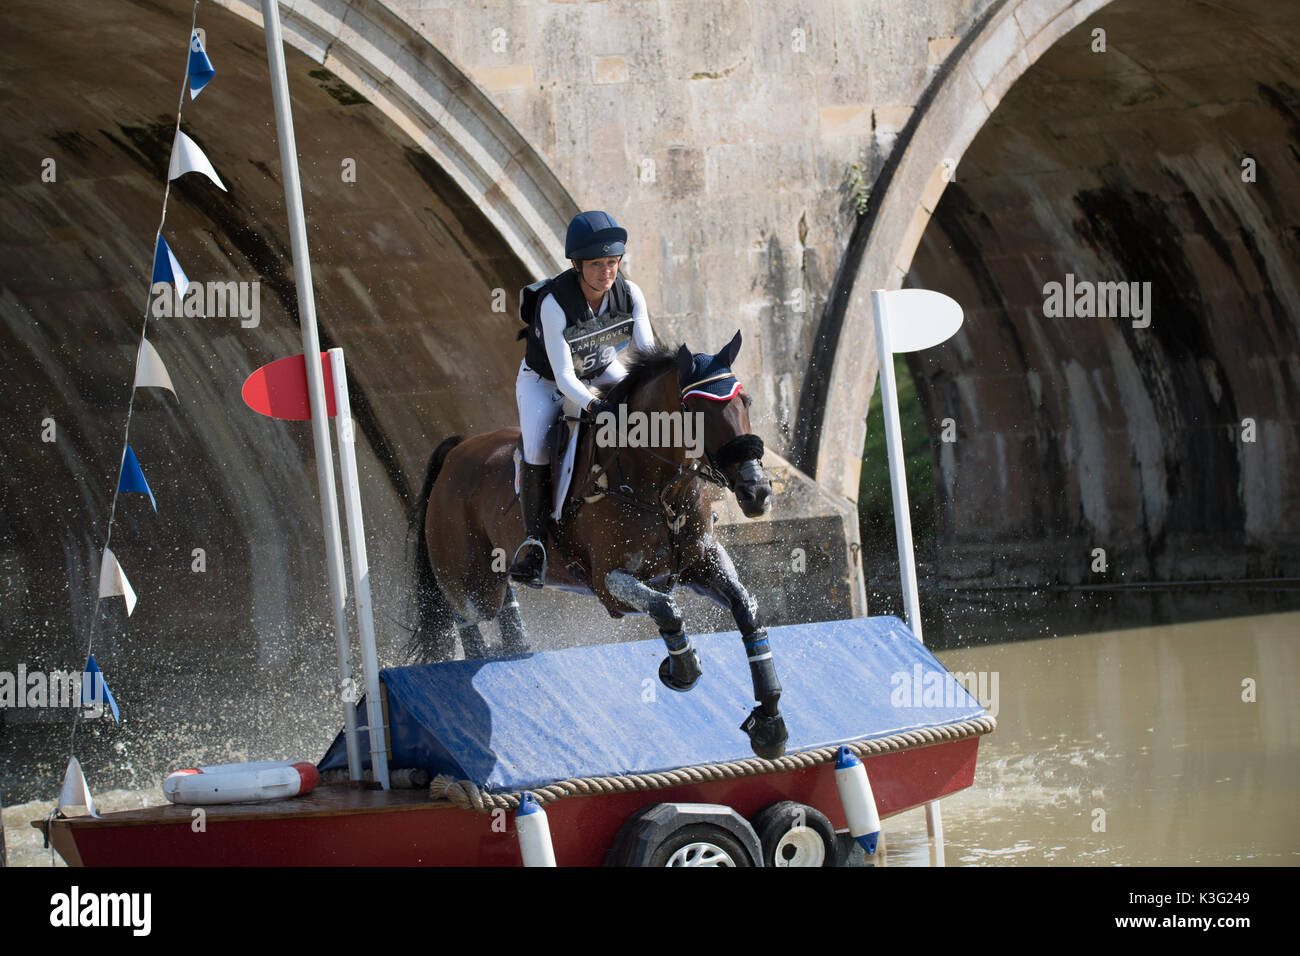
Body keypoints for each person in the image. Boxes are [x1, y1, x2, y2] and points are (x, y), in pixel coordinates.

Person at [510, 210, 655, 588]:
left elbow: (648, 357)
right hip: (545, 383)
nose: (607, 272)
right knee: (539, 448)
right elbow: (564, 378)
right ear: (576, 265)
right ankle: (535, 543)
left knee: (648, 411)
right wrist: (596, 405)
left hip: (601, 370)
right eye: (596, 264)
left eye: (612, 262)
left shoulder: (630, 294)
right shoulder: (555, 304)